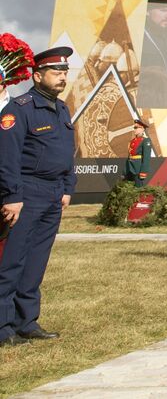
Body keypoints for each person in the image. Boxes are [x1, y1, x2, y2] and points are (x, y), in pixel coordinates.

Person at [0, 47, 76, 345]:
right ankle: (3, 326)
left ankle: (26, 321)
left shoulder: (62, 109)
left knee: (36, 262)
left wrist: (68, 188)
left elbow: (67, 153)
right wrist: (12, 196)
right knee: (12, 261)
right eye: (57, 72)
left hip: (53, 193)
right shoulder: (19, 109)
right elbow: (7, 157)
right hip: (27, 192)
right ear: (37, 75)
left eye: (65, 72)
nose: (62, 77)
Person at [123, 120, 154, 187]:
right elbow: (129, 156)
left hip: (138, 168)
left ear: (142, 129)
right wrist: (125, 170)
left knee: (138, 189)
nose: (135, 130)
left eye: (136, 128)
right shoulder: (132, 141)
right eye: (134, 128)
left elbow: (146, 158)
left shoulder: (145, 141)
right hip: (130, 168)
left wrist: (143, 171)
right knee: (128, 189)